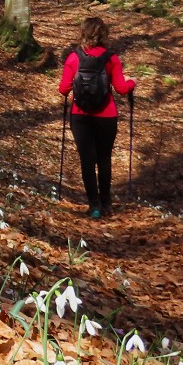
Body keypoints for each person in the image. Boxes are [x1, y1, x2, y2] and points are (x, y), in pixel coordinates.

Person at [58, 17, 136, 218]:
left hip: (80, 115)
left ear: (82, 33)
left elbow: (63, 89)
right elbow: (120, 88)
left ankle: (94, 206)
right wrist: (132, 83)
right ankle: (106, 203)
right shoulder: (111, 59)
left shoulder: (73, 58)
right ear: (104, 34)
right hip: (106, 115)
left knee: (86, 160)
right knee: (104, 159)